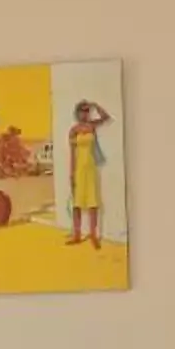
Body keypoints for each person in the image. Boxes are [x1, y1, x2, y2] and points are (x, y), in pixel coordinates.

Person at [65, 100, 113, 248]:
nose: (85, 113)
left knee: (93, 203)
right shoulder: (73, 130)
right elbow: (72, 154)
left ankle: (93, 234)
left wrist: (95, 105)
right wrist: (71, 174)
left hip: (91, 168)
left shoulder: (92, 126)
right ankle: (77, 235)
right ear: (77, 112)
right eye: (82, 110)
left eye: (87, 111)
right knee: (77, 204)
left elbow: (106, 117)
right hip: (79, 169)